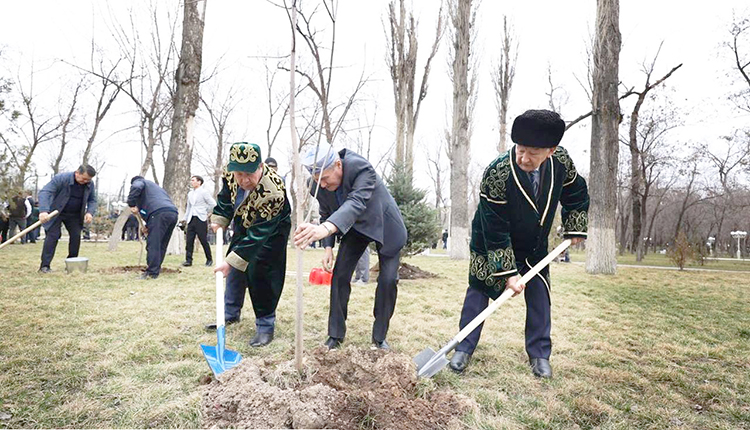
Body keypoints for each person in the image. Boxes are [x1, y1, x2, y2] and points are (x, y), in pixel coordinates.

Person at [449, 110, 589, 378]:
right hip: (491, 240)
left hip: (535, 244)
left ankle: (539, 355)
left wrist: (575, 226)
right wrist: (508, 274)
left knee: (539, 295)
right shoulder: (497, 172)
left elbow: (577, 192)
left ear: (550, 150)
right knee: (479, 290)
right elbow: (495, 227)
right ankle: (463, 348)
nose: (523, 158)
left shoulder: (561, 161)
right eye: (519, 150)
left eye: (532, 153)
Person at [293, 142, 407, 350]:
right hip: (355, 229)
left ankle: (379, 338)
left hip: (384, 225)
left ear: (338, 165)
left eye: (326, 179)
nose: (324, 185)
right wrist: (328, 247)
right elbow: (326, 210)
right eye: (319, 181)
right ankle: (335, 335)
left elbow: (355, 203)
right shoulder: (318, 185)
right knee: (339, 275)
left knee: (388, 280)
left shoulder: (361, 168)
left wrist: (325, 229)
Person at [208, 142, 291, 347]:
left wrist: (233, 262)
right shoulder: (231, 174)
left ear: (260, 166)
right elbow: (226, 199)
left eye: (250, 175)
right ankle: (229, 313)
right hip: (244, 222)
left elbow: (258, 235)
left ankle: (265, 325)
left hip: (271, 230)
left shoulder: (274, 191)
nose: (244, 180)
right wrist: (220, 219)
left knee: (262, 271)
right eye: (239, 175)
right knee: (235, 266)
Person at [38, 165, 98, 272]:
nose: (85, 181)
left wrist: (89, 212)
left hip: (74, 214)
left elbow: (92, 200)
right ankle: (45, 266)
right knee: (53, 236)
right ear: (77, 173)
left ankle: (72, 264)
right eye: (84, 178)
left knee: (76, 236)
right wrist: (43, 210)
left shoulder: (89, 184)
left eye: (88, 180)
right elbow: (45, 192)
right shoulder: (61, 178)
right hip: (56, 212)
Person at [127, 176, 178, 279]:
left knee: (153, 244)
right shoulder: (155, 189)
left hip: (159, 214)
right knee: (161, 244)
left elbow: (137, 187)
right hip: (172, 213)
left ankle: (151, 272)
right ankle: (156, 269)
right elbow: (152, 206)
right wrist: (147, 225)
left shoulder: (140, 182)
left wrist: (131, 203)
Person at [181, 175, 216, 267]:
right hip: (191, 218)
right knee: (189, 240)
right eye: (191, 180)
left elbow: (213, 204)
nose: (191, 182)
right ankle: (188, 260)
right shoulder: (190, 194)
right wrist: (185, 218)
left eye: (193, 180)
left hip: (201, 218)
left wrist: (205, 210)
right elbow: (189, 207)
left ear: (199, 182)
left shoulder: (204, 192)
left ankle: (209, 259)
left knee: (203, 240)